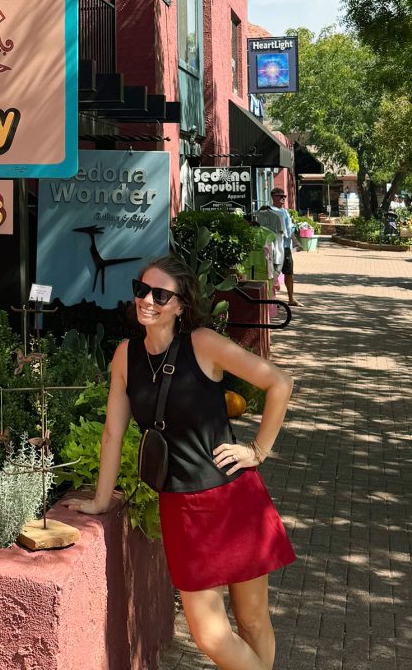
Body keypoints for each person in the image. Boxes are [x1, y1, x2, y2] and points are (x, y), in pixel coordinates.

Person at [65, 255, 295, 670]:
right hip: (182, 507)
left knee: (252, 620)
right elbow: (112, 434)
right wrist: (101, 500)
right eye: (141, 290)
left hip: (233, 500)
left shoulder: (203, 343)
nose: (146, 300)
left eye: (160, 294)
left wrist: (258, 451)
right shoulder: (125, 356)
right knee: (209, 635)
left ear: (180, 305)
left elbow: (279, 383)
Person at [271, 187, 297, 306]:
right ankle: (271, 299)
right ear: (273, 197)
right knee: (273, 274)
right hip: (274, 247)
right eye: (280, 196)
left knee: (289, 272)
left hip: (285, 247)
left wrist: (296, 242)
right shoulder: (269, 211)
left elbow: (289, 229)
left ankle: (291, 298)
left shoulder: (285, 212)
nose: (282, 199)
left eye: (284, 197)